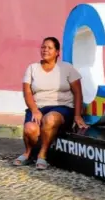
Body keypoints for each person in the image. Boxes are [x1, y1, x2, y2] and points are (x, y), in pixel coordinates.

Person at [14, 36, 87, 170]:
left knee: (50, 119)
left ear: (57, 52)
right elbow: (27, 93)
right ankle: (28, 152)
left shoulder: (67, 68)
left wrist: (77, 115)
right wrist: (35, 110)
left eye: (49, 48)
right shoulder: (32, 68)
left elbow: (78, 93)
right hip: (38, 107)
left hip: (62, 108)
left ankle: (42, 155)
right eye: (43, 47)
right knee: (30, 129)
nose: (45, 50)